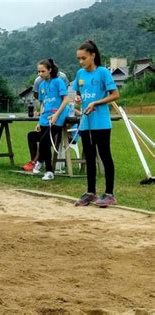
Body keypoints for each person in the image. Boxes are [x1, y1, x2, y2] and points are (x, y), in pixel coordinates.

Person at [72, 40, 119, 207]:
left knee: (105, 156)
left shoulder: (103, 72)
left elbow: (115, 95)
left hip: (101, 122)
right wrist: (78, 98)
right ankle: (90, 193)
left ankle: (109, 194)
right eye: (78, 58)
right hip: (85, 122)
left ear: (93, 55)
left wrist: (96, 103)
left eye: (83, 58)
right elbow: (77, 93)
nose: (81, 62)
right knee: (89, 157)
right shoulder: (80, 74)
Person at [31, 59, 70, 180]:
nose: (40, 74)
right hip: (45, 117)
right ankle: (41, 161)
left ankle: (48, 170)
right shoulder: (41, 84)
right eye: (38, 71)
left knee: (44, 141)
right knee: (42, 141)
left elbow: (66, 100)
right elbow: (43, 103)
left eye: (42, 71)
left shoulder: (58, 82)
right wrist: (39, 121)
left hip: (57, 117)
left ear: (50, 70)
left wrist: (57, 115)